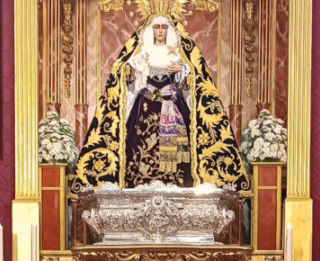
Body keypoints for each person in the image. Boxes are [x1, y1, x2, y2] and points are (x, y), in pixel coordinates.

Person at [72, 13, 249, 192]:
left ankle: (175, 185)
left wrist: (183, 69)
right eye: (157, 27)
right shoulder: (143, 51)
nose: (160, 31)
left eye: (163, 27)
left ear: (169, 30)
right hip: (146, 103)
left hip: (172, 102)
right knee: (136, 142)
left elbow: (193, 80)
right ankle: (140, 186)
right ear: (151, 30)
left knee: (180, 148)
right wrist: (134, 69)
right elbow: (126, 74)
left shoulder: (177, 52)